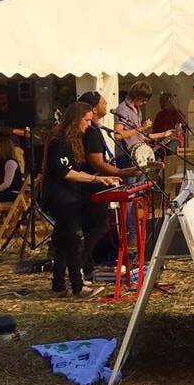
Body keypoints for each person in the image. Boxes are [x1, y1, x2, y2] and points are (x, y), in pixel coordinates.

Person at [41, 101, 118, 299]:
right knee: (74, 240)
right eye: (85, 120)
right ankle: (78, 286)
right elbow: (65, 172)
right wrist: (96, 178)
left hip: (69, 196)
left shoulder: (74, 140)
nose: (88, 125)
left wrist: (99, 178)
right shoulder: (60, 141)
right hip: (61, 197)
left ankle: (58, 285)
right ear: (75, 119)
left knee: (64, 240)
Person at [75, 92, 140, 280]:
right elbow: (97, 162)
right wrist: (120, 172)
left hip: (95, 181)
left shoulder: (95, 128)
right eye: (104, 103)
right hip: (93, 183)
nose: (107, 105)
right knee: (98, 225)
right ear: (94, 109)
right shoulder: (91, 131)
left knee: (96, 226)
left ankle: (86, 266)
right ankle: (81, 261)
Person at [111, 81, 173, 164]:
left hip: (139, 156)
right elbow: (118, 135)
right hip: (127, 157)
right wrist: (141, 128)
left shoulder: (137, 109)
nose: (145, 103)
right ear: (137, 96)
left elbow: (141, 137)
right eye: (144, 100)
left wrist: (163, 134)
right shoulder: (123, 109)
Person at [0, 132, 27, 203]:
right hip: (6, 192)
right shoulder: (2, 162)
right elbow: (0, 180)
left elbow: (7, 183)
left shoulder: (10, 162)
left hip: (12, 193)